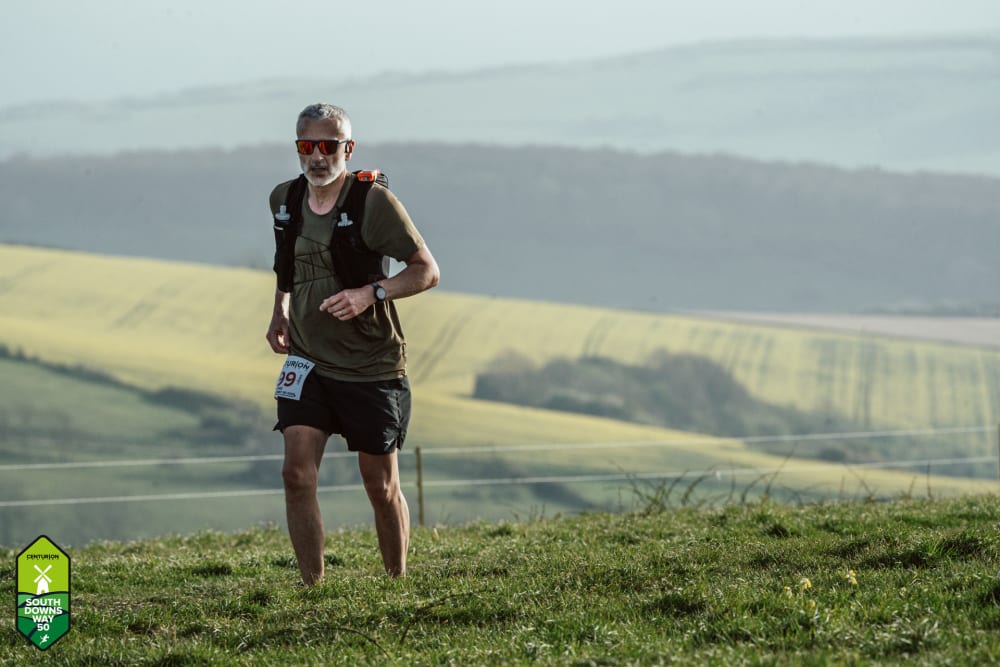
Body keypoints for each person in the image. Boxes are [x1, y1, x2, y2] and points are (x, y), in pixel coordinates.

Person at [265, 103, 439, 583]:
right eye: (307, 146)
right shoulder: (284, 198)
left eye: (328, 146)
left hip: (370, 364)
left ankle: (395, 583)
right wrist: (280, 310)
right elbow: (287, 265)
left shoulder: (373, 202)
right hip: (307, 359)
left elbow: (427, 271)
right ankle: (312, 590)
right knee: (296, 475)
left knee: (380, 486)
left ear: (348, 148)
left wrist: (371, 293)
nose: (317, 157)